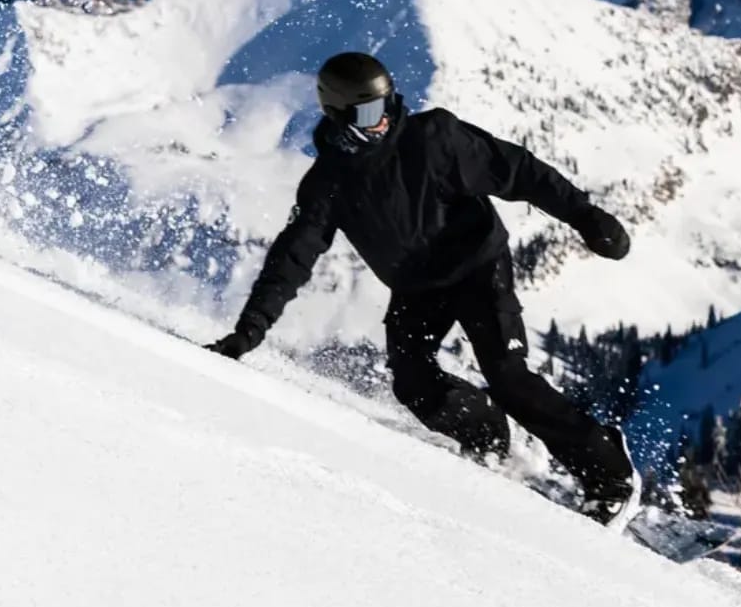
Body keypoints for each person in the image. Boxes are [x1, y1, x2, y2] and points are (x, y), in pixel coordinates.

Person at [207, 51, 641, 522]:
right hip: (418, 288)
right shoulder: (329, 183)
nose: (385, 119)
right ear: (338, 116)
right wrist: (249, 332)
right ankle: (490, 442)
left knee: (508, 376)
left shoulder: (434, 138)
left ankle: (609, 475)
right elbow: (292, 258)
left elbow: (519, 171)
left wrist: (586, 217)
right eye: (371, 112)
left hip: (478, 264)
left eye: (389, 103)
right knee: (414, 384)